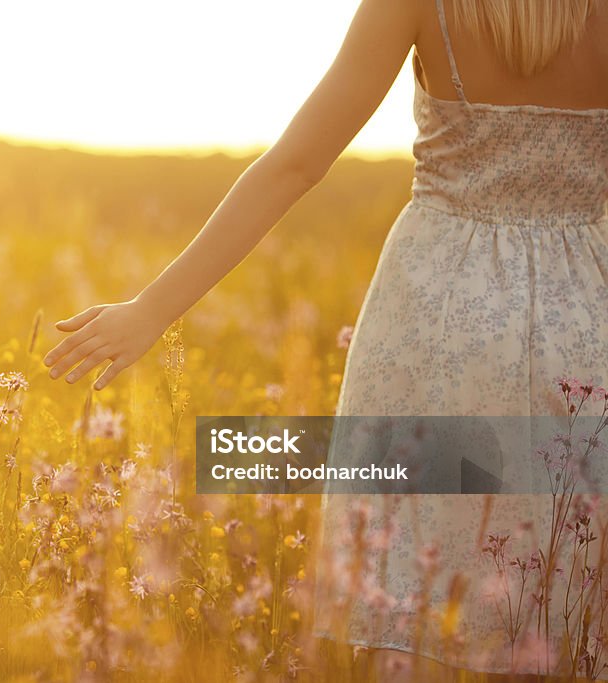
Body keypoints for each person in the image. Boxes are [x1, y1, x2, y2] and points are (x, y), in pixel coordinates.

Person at [45, 0, 608, 678]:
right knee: (569, 600)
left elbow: (296, 164)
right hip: (584, 322)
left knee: (418, 606)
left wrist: (152, 308)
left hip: (435, 326)